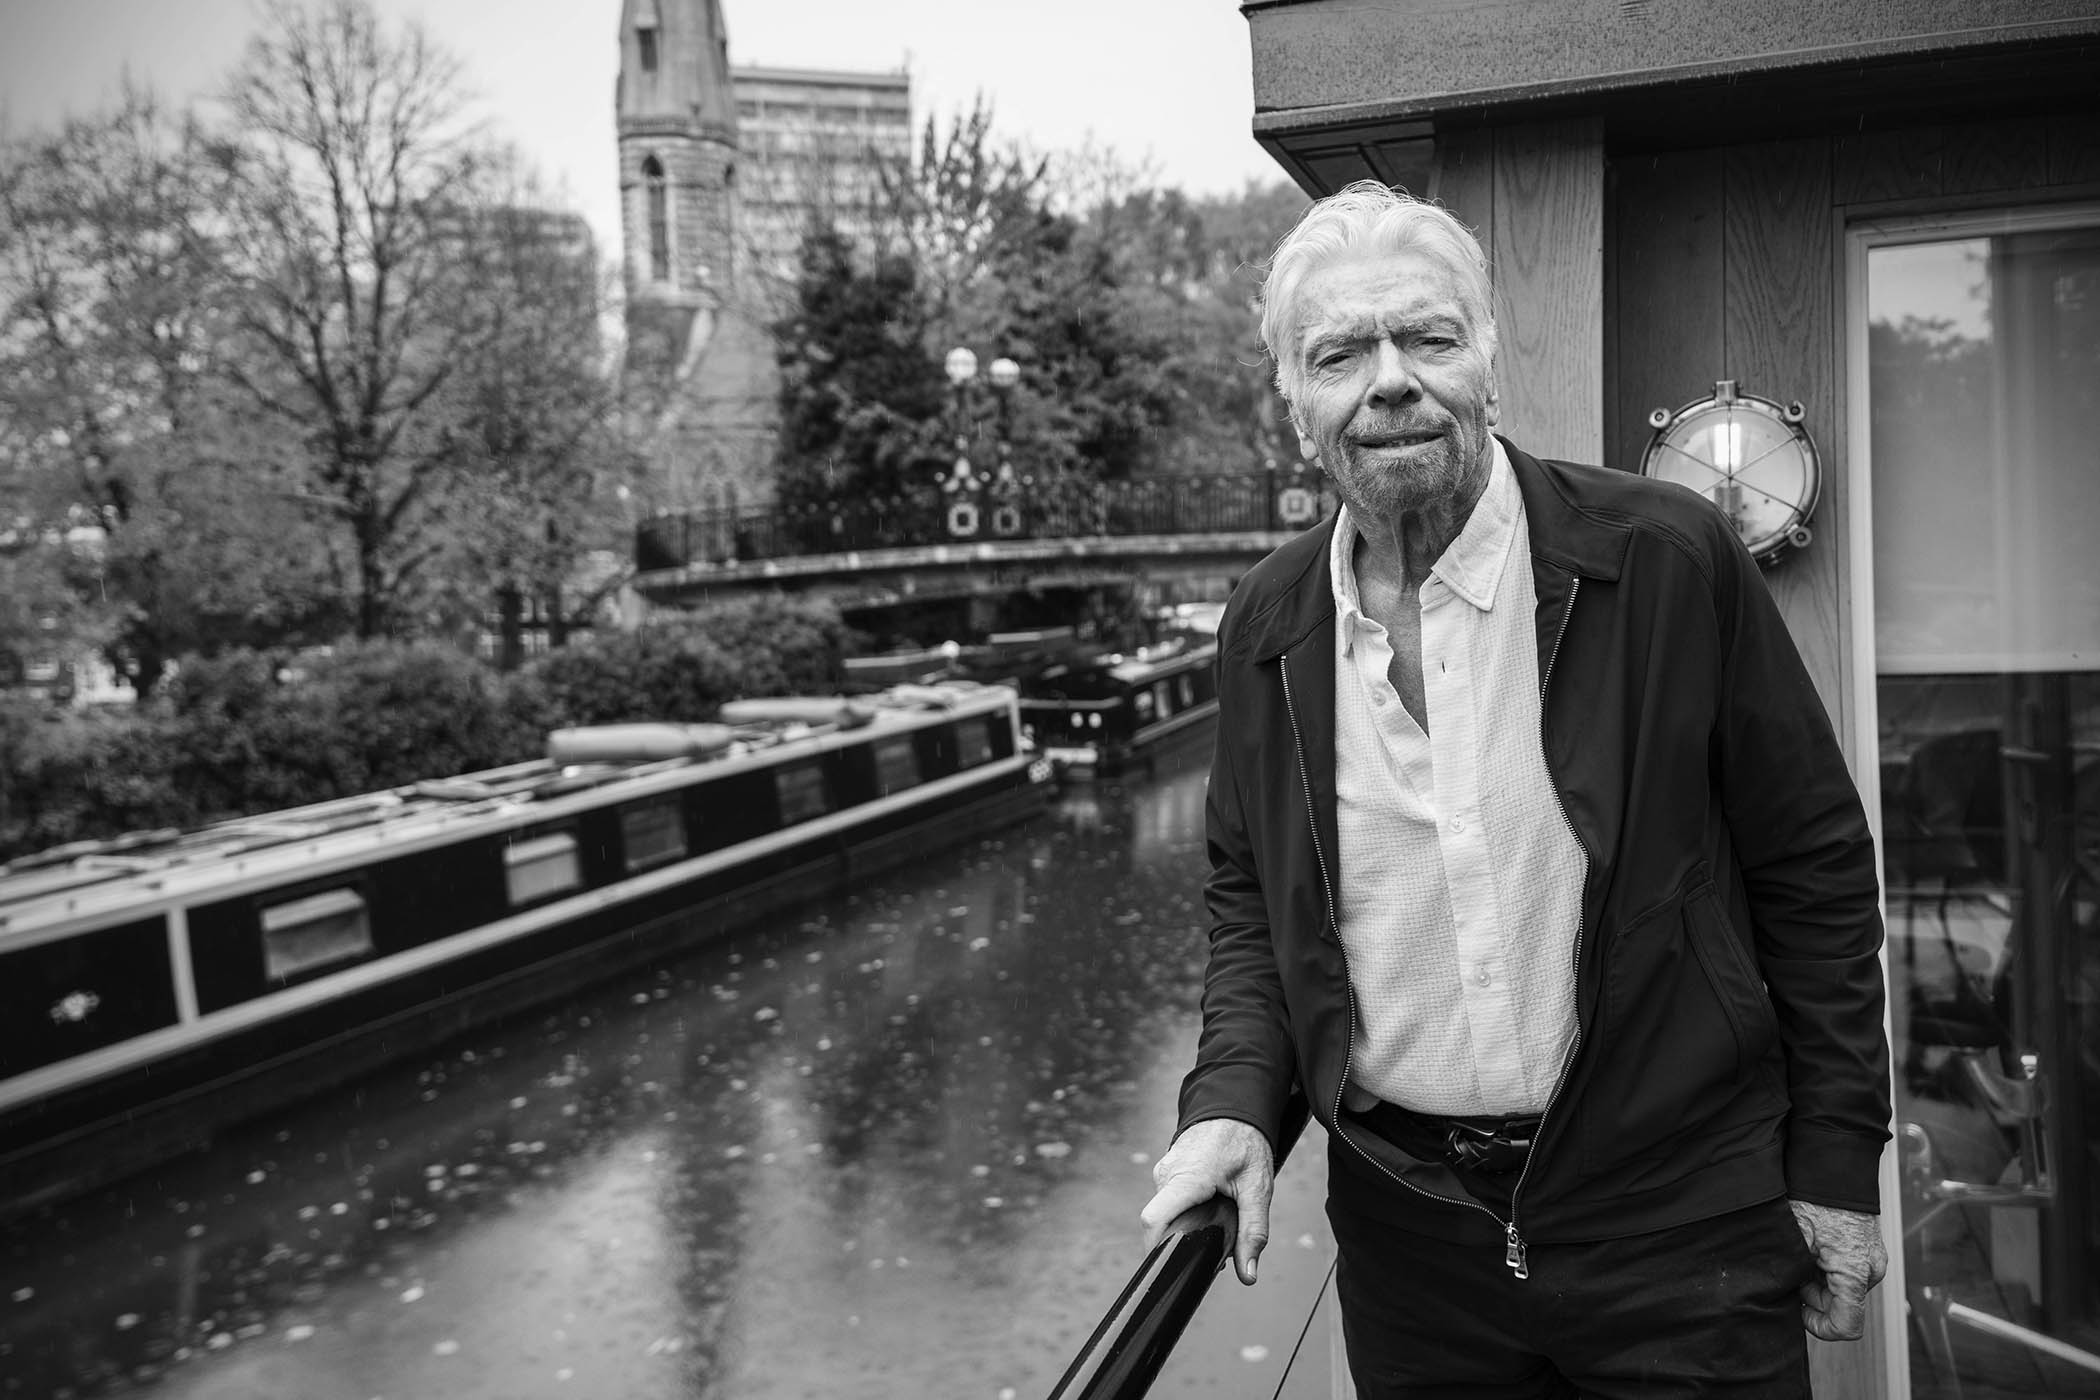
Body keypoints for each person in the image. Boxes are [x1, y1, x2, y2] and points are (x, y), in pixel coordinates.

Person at [1139, 181, 1891, 1398]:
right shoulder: (1265, 626)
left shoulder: (1663, 560)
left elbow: (1810, 862)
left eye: (1427, 338)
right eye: (1340, 353)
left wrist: (1838, 1158)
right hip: (1410, 1242)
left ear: (1486, 359)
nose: (1390, 379)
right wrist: (1230, 1102)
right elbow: (1249, 900)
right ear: (1293, 404)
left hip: (1678, 1220)